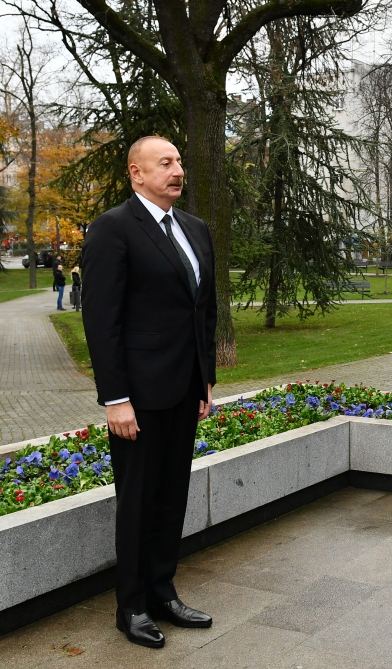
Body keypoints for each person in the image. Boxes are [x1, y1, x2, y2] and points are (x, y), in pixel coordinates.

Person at [81, 136, 217, 649]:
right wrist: (115, 398)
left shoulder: (195, 229)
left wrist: (205, 378)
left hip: (184, 389)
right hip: (137, 398)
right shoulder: (113, 228)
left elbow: (204, 309)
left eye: (179, 161)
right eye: (165, 163)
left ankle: (163, 592)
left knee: (171, 496)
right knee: (138, 501)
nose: (177, 170)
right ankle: (132, 606)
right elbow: (102, 321)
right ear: (136, 173)